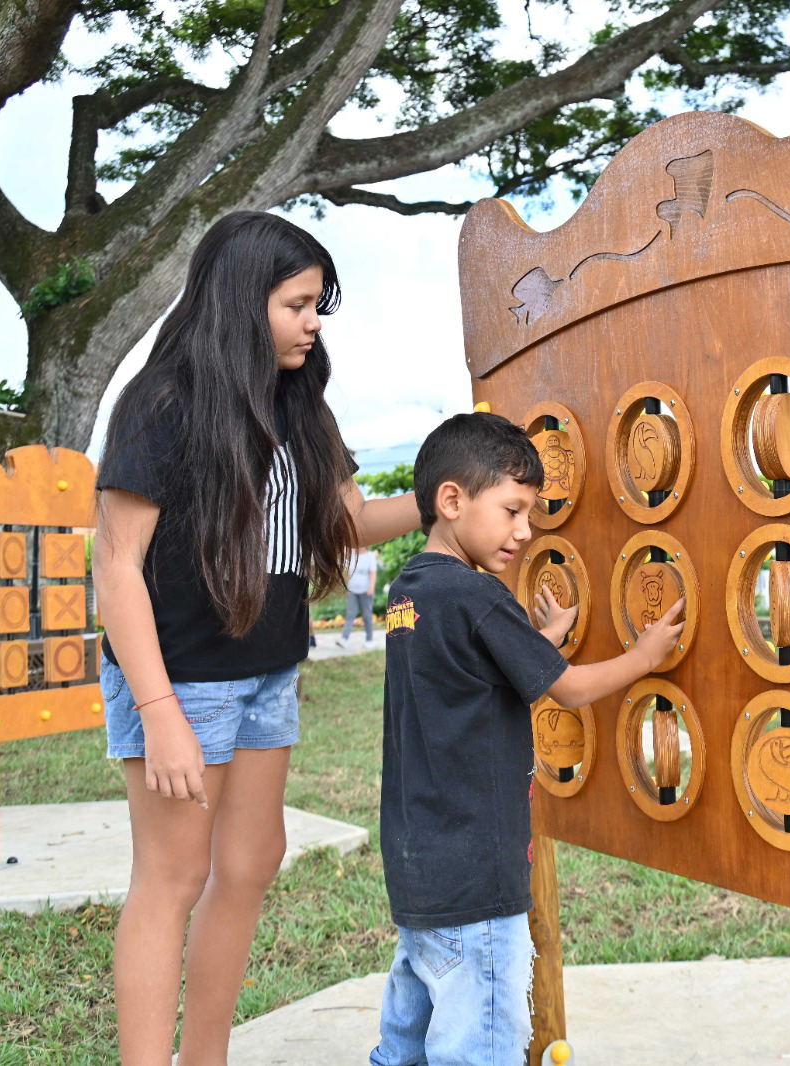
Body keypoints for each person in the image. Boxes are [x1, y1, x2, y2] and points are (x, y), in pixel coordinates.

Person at [92, 211, 423, 1066]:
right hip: (180, 679)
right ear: (243, 300)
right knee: (172, 879)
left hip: (269, 671)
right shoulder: (162, 403)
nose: (314, 325)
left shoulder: (300, 405)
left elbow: (348, 523)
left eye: (318, 307)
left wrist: (451, 497)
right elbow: (116, 568)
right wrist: (159, 712)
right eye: (297, 306)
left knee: (250, 862)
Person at [372, 412, 684, 1066]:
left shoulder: (410, 593)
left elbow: (469, 676)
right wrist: (644, 656)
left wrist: (539, 640)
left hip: (420, 871)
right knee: (478, 1048)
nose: (525, 530)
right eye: (512, 510)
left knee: (405, 1045)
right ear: (451, 500)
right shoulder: (478, 596)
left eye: (531, 515)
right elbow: (567, 689)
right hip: (477, 880)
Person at [338, 546, 379, 645]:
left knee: (367, 615)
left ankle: (369, 640)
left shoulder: (370, 556)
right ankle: (344, 639)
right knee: (350, 614)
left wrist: (371, 587)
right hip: (352, 590)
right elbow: (343, 566)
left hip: (366, 591)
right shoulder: (352, 556)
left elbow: (373, 573)